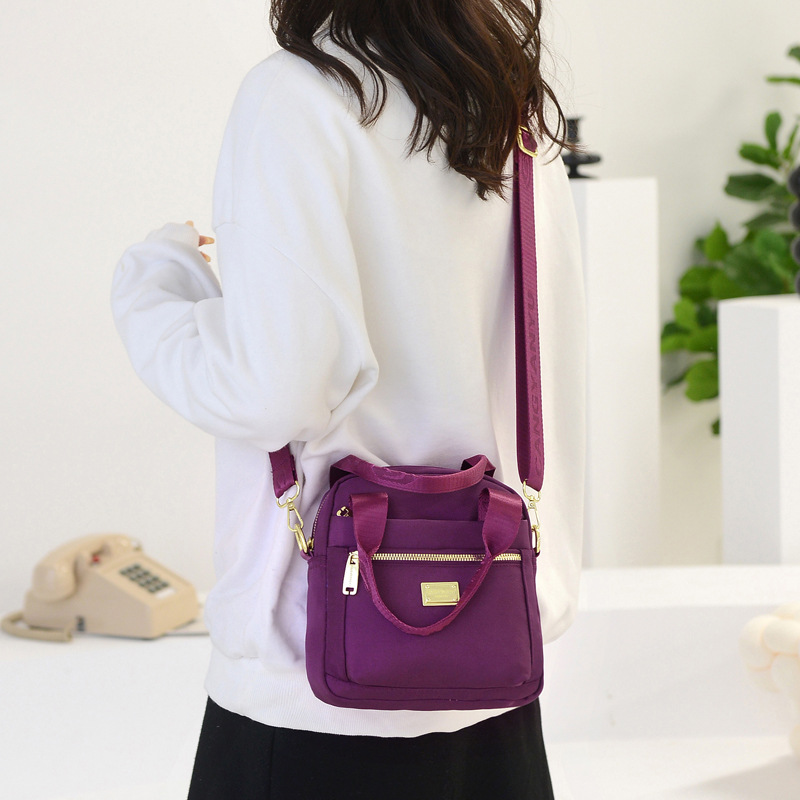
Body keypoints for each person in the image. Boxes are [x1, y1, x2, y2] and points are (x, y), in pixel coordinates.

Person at [110, 0, 585, 797]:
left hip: (314, 687)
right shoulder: (517, 109)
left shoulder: (298, 95)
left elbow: (272, 395)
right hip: (490, 662)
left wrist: (153, 287)